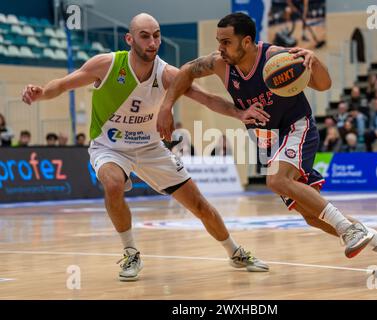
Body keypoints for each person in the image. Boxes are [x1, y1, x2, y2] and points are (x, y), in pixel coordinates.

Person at [157, 12, 377, 277]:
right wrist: (167, 106)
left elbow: (324, 85)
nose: (220, 48)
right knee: (312, 215)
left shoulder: (277, 57)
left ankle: (351, 230)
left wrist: (316, 63)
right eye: (218, 41)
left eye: (226, 42)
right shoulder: (221, 64)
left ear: (246, 42)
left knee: (275, 180)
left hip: (297, 127)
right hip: (269, 141)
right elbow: (187, 71)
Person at [21, 13, 270, 282]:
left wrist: (241, 114)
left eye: (157, 35)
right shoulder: (107, 65)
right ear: (129, 39)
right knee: (113, 184)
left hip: (151, 148)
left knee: (199, 205)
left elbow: (207, 99)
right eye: (145, 36)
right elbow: (63, 84)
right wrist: (42, 93)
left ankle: (234, 252)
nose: (153, 42)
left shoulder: (166, 74)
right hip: (109, 146)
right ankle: (131, 253)